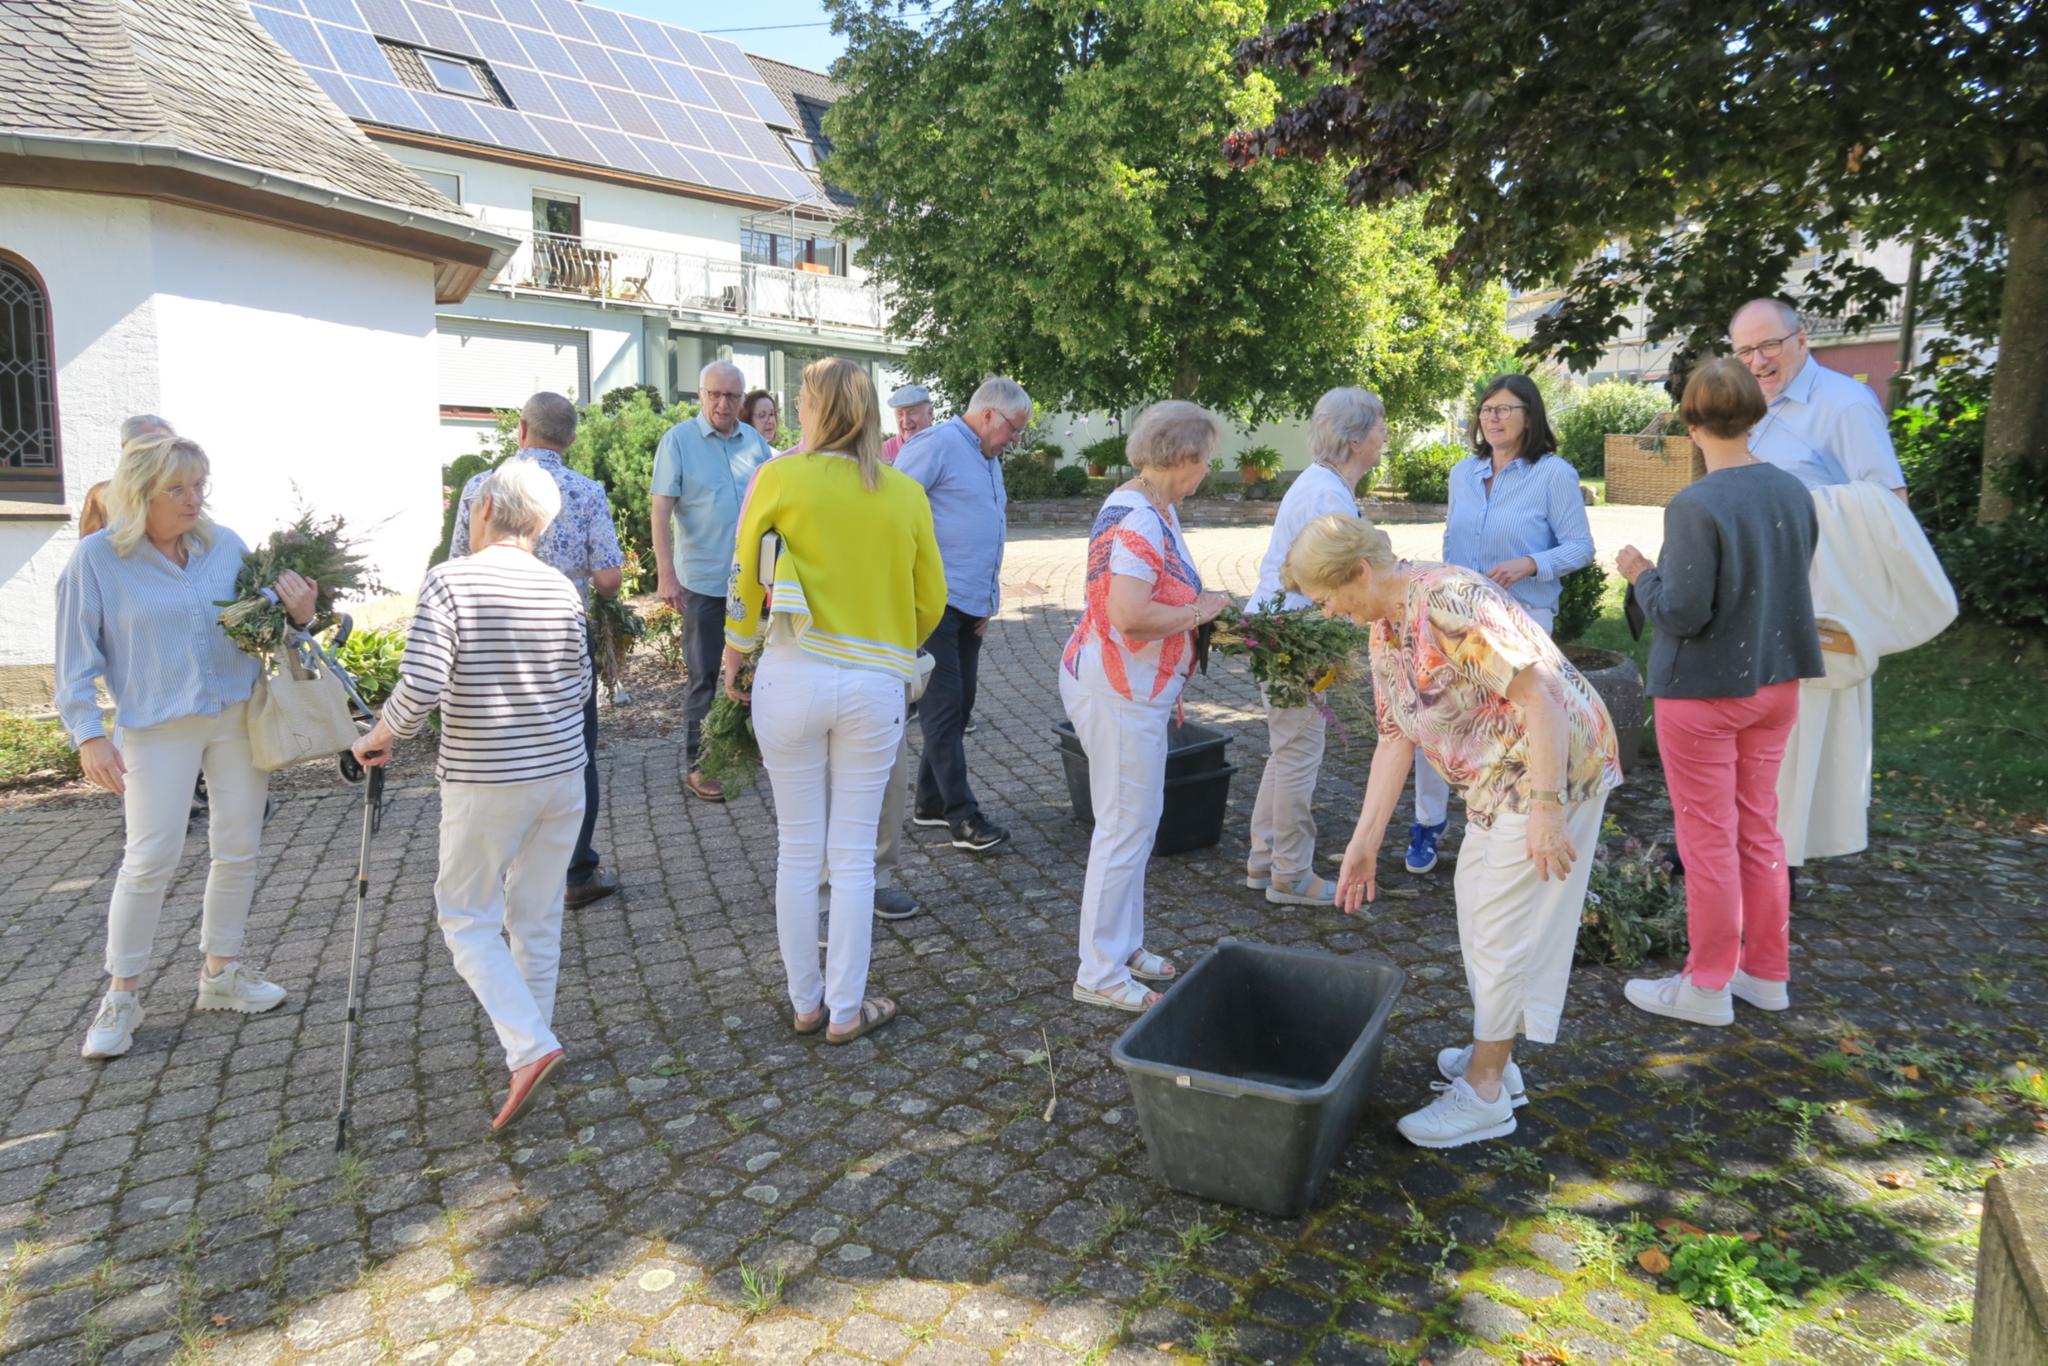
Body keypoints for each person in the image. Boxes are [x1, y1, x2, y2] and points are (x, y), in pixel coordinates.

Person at [1286, 514, 1620, 1148]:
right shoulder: (1384, 625)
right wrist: (1363, 847)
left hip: (1548, 767)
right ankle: (1493, 1060)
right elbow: (1396, 736)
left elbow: (1541, 695)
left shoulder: (1446, 603)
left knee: (1501, 926)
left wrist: (1547, 808)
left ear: (1359, 571)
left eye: (1327, 598)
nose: (1327, 613)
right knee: (1479, 909)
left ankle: (1487, 1091)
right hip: (1502, 775)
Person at [56, 434, 315, 1059]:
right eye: (178, 489)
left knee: (238, 846)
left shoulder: (222, 546)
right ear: (140, 492)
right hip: (155, 725)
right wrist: (89, 734)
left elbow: (262, 624)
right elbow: (74, 659)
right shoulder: (96, 560)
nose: (194, 499)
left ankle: (220, 975)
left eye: (200, 485)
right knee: (149, 857)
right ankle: (122, 995)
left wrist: (300, 614)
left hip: (233, 713)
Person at [353, 458, 592, 1130]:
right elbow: (579, 687)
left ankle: (531, 1045)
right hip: (562, 771)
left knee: (464, 915)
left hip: (488, 776)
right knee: (537, 916)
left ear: (483, 506)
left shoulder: (450, 581)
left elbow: (425, 682)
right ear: (542, 524)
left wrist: (381, 732)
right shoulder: (560, 588)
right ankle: (531, 1042)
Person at [723, 358, 947, 1044]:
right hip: (873, 683)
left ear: (814, 408)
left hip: (791, 672)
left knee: (798, 849)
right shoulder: (905, 492)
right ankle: (847, 1011)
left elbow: (743, 579)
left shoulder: (778, 478)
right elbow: (931, 598)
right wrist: (888, 638)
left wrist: (735, 656)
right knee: (851, 854)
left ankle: (806, 1002)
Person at [1614, 359, 1823, 1024]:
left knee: (1707, 840)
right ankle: (1766, 974)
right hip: (1777, 683)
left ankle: (1706, 985)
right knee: (1761, 833)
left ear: (1691, 421)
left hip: (1704, 694)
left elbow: (1682, 612)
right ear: (1754, 413)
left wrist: (1640, 574)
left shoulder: (1696, 503)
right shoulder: (1793, 492)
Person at [1060, 401, 1235, 1011]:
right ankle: (1100, 972)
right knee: (1123, 826)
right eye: (1204, 459)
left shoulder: (1155, 506)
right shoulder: (1137, 518)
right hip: (1118, 690)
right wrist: (1201, 612)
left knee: (1137, 820)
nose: (1206, 471)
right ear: (1180, 458)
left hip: (1132, 691)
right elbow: (1130, 617)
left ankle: (1123, 945)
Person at [1729, 298, 1910, 885]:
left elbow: (1890, 508)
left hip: (1815, 602)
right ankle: (1746, 852)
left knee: (1799, 740)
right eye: (1743, 351)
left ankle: (1779, 864)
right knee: (1751, 735)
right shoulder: (1752, 406)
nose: (1756, 361)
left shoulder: (1845, 405)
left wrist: (1797, 508)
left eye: (1768, 346)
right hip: (1754, 600)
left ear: (1802, 340)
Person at [1407, 375, 1595, 877]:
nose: (1492, 418)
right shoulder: (1462, 473)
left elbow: (1581, 547)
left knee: (1513, 724)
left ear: (1529, 416)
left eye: (1505, 409)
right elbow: (1453, 537)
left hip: (1521, 620)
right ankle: (1428, 821)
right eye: (1486, 409)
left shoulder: (1553, 474)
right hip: (1456, 615)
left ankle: (1504, 817)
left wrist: (1530, 563)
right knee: (1435, 712)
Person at [452, 393, 625, 908]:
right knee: (575, 753)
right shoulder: (588, 491)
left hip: (490, 638)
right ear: (571, 438)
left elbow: (459, 559)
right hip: (560, 640)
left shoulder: (480, 487)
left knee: (499, 750)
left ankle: (495, 865)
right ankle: (572, 873)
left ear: (522, 429)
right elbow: (610, 579)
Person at [1245, 388, 1388, 906]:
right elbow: (1324, 582)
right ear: (1355, 439)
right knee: (1299, 756)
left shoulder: (1325, 485)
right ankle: (1291, 875)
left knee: (1287, 754)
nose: (1385, 435)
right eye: (1379, 426)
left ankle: (1266, 862)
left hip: (1281, 631)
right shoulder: (1326, 496)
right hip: (1295, 636)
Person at [894, 375, 1029, 852]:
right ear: (989, 415)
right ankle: (962, 816)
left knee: (962, 702)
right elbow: (893, 515)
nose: (1015, 440)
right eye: (1013, 429)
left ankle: (929, 801)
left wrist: (988, 601)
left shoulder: (987, 455)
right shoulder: (938, 444)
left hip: (970, 605)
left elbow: (985, 527)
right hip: (934, 604)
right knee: (943, 707)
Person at [652, 360, 774, 802]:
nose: (724, 403)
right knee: (704, 675)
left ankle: (742, 746)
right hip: (703, 580)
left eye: (733, 396)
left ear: (743, 400)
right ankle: (699, 765)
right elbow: (661, 510)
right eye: (715, 395)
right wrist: (666, 574)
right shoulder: (679, 441)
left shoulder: (755, 443)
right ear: (700, 396)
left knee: (751, 669)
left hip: (754, 583)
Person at [881, 383, 935, 463]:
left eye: (912, 412)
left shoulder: (942, 446)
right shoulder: (885, 452)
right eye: (900, 414)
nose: (906, 421)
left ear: (930, 414)